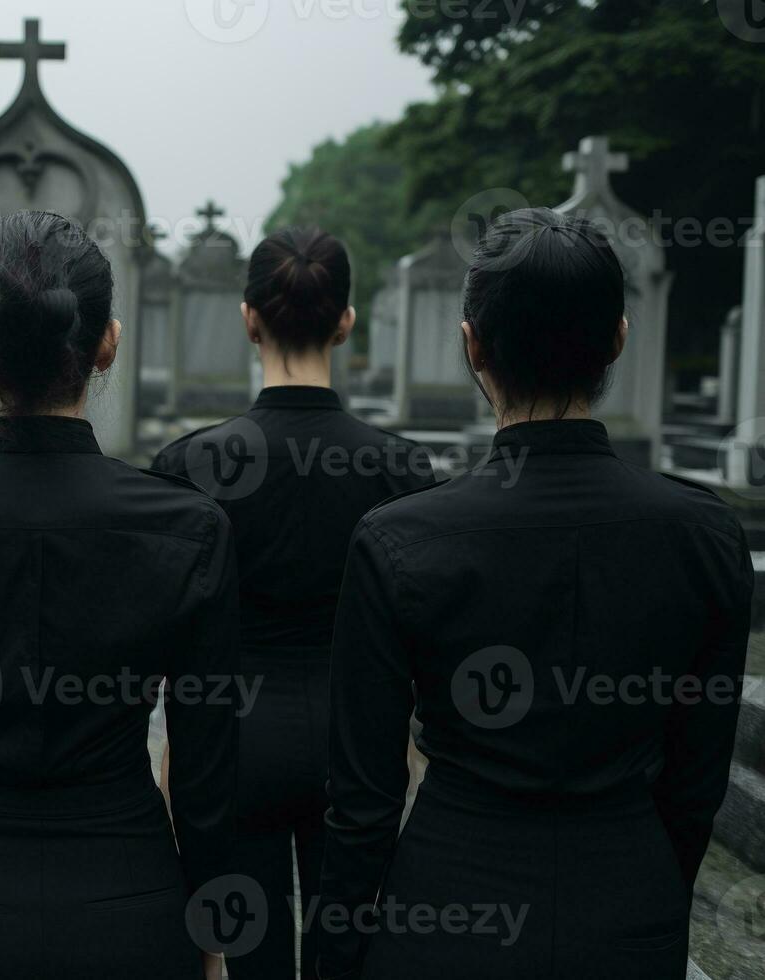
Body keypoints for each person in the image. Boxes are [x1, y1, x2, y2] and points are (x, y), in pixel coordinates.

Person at [317, 208, 754, 979]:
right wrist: (651, 897)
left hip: (447, 907)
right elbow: (695, 784)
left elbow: (364, 797)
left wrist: (334, 957)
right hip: (627, 905)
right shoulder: (704, 535)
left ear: (472, 344)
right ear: (617, 340)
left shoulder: (399, 540)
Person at [0, 211, 239, 980]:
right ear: (107, 343)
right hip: (132, 904)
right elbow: (204, 767)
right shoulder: (190, 530)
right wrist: (212, 935)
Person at [153, 227, 433, 979]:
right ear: (346, 321)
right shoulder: (402, 468)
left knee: (251, 962)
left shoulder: (190, 465)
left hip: (232, 742)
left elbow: (175, 637)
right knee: (352, 952)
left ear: (249, 320)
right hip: (361, 744)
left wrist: (177, 759)